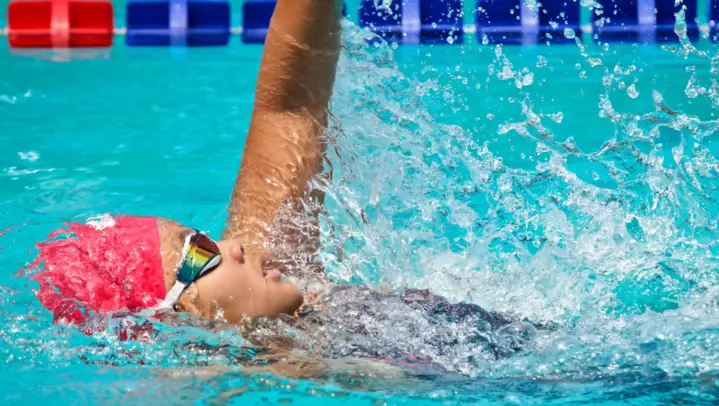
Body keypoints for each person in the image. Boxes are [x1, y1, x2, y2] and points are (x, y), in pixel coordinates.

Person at [30, 0, 535, 374]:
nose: (232, 245)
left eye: (203, 236)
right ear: (176, 317)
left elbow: (288, 109)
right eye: (200, 255)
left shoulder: (273, 265)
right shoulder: (248, 367)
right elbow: (166, 397)